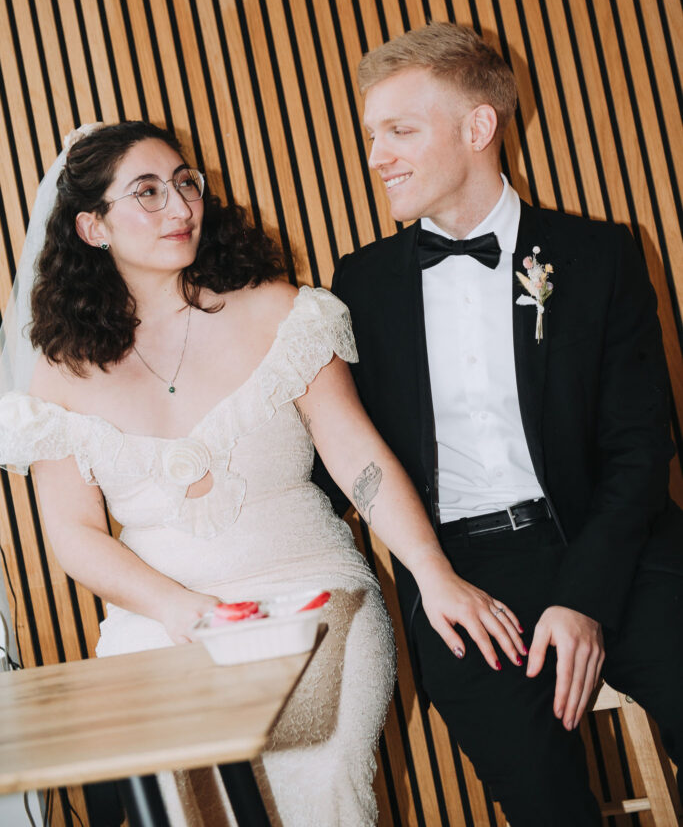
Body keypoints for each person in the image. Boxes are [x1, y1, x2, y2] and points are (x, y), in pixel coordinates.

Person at [0, 120, 527, 827]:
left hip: (314, 606)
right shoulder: (59, 374)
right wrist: (182, 610)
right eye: (148, 192)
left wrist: (433, 574)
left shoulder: (283, 312)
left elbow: (359, 457)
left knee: (320, 791)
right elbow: (74, 534)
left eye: (187, 183)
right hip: (160, 627)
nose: (182, 207)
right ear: (93, 228)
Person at [316, 23, 683, 825]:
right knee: (544, 805)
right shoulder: (362, 284)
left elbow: (637, 453)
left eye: (399, 132)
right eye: (370, 136)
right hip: (464, 571)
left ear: (477, 128)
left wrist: (584, 598)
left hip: (615, 543)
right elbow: (340, 460)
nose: (375, 156)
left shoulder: (600, 256)